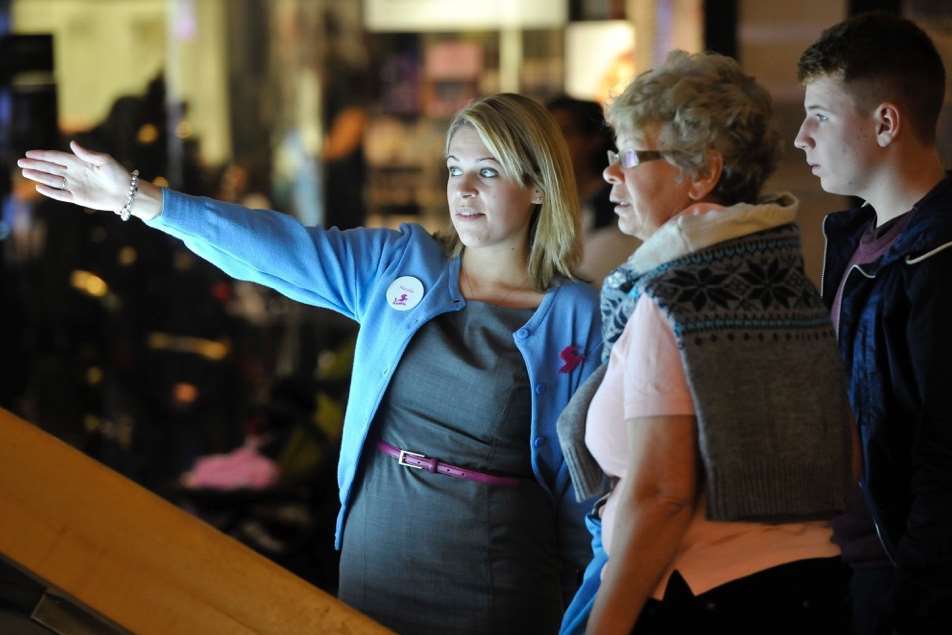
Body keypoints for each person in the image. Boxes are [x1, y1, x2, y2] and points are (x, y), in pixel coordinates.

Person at [18, 93, 603, 634]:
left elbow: (591, 498)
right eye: (454, 168)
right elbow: (274, 249)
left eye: (488, 170)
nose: (463, 189)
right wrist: (138, 199)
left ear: (538, 187)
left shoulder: (578, 316)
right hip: (376, 559)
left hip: (496, 581)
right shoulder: (403, 265)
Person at [557, 51, 854, 634]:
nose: (612, 173)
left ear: (703, 173)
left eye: (632, 157)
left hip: (708, 598)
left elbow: (663, 495)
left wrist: (606, 624)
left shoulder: (677, 292)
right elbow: (847, 454)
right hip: (806, 587)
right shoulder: (778, 274)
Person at [794, 13, 952, 635]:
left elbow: (942, 454)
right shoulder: (859, 238)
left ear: (886, 122)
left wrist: (910, 598)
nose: (800, 138)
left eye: (821, 117)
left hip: (901, 582)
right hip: (850, 567)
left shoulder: (936, 257)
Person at [546, 96, 638, 285]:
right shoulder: (545, 204)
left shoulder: (618, 210)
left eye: (564, 133)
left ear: (594, 140)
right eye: (546, 135)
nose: (551, 146)